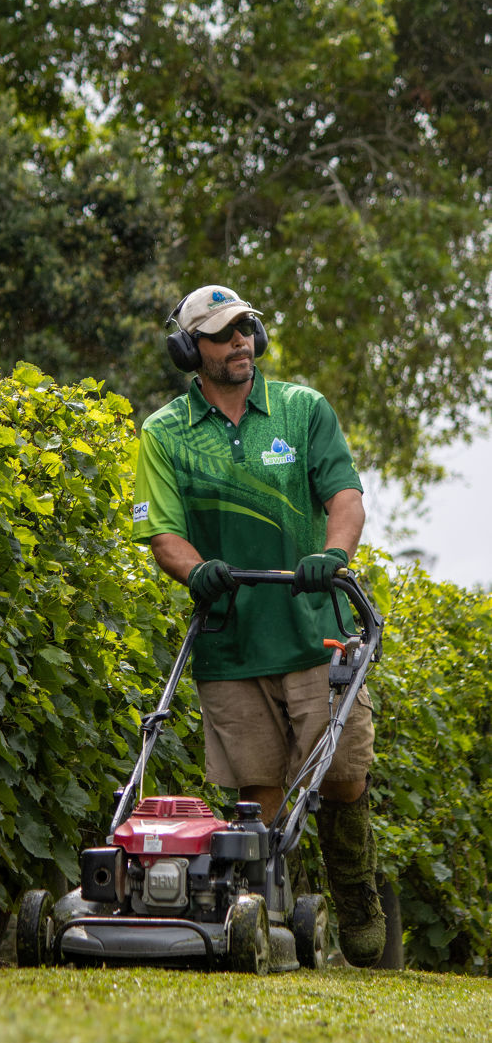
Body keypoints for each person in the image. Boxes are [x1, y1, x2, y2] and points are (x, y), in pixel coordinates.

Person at [132, 284, 385, 967]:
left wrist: (332, 555)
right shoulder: (163, 433)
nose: (238, 340)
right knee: (257, 794)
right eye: (220, 333)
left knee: (341, 773)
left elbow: (344, 497)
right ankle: (267, 917)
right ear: (190, 350)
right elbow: (162, 533)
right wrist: (195, 571)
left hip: (313, 628)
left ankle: (354, 891)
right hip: (231, 638)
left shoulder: (302, 411)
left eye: (245, 328)